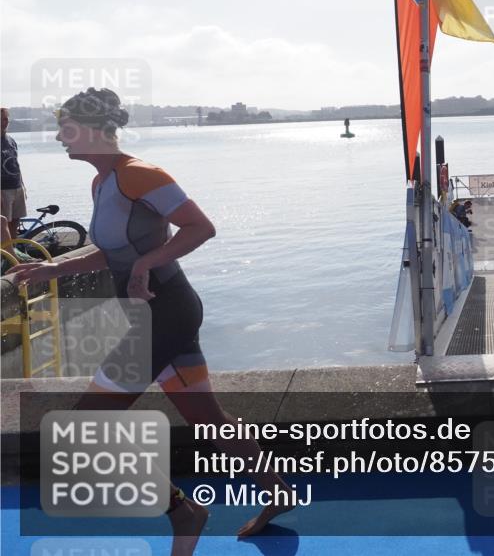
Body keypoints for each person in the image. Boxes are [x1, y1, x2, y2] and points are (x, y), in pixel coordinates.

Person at [8, 88, 293, 553]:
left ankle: (183, 511)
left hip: (167, 313)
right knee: (209, 420)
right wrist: (54, 268)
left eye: (66, 127)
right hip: (155, 313)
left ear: (93, 130)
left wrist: (145, 266)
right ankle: (278, 493)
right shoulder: (103, 184)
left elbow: (200, 227)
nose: (59, 137)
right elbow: (115, 250)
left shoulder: (142, 174)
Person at [1, 107, 27, 241]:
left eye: (6, 119)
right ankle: (6, 257)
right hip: (3, 190)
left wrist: (23, 186)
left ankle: (14, 253)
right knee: (3, 225)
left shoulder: (11, 140)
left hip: (16, 187)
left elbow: (15, 164)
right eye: (1, 119)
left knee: (15, 222)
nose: (4, 122)